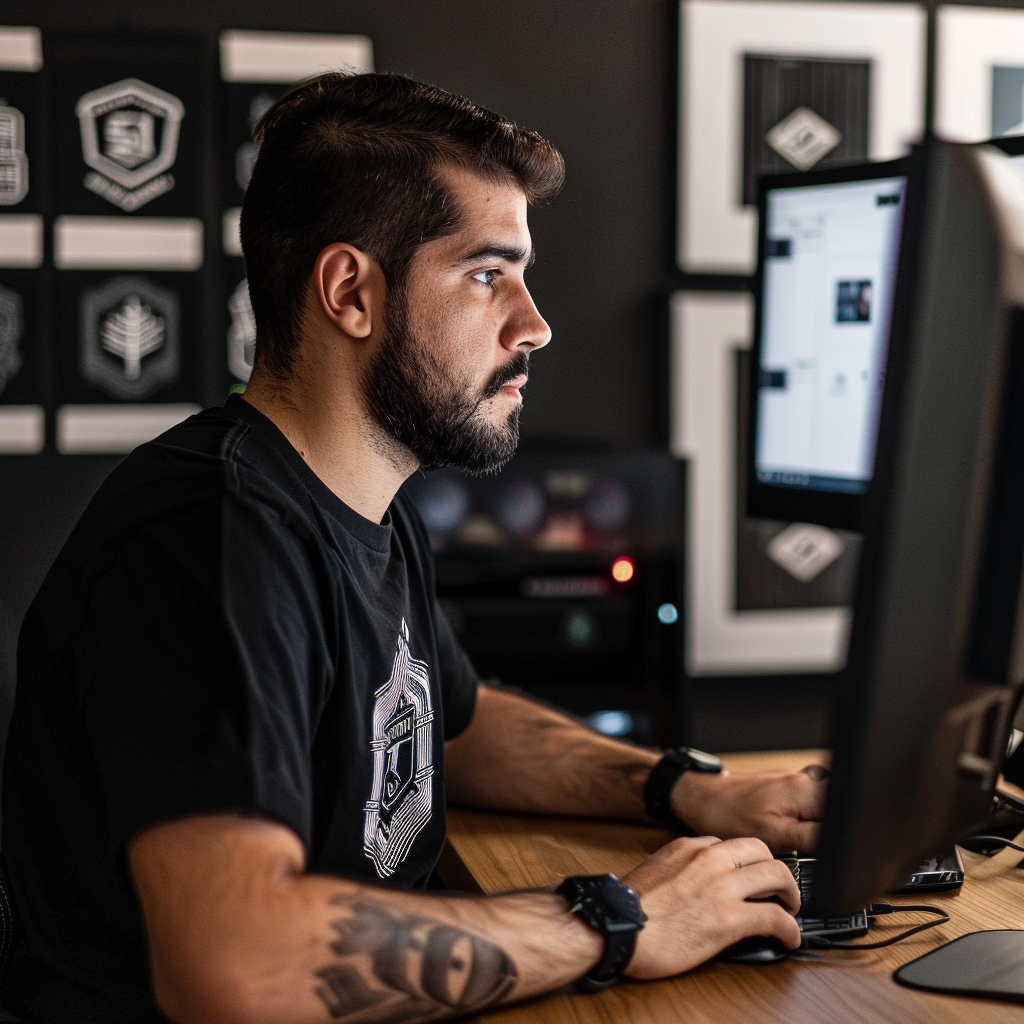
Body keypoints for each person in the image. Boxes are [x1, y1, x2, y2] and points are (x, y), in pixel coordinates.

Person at [1, 72, 825, 1024]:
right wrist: (620, 921)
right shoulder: (211, 538)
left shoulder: (362, 503)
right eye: (487, 274)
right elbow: (237, 967)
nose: (535, 324)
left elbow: (459, 727)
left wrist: (688, 790)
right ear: (351, 292)